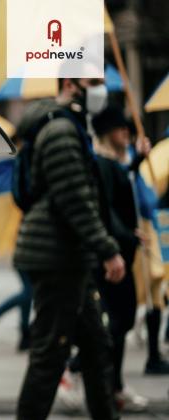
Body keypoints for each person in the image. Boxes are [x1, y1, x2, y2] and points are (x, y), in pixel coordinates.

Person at [14, 78, 123, 420]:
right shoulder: (60, 129)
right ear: (71, 84)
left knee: (95, 346)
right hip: (56, 258)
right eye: (94, 82)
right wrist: (108, 249)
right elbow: (74, 197)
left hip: (68, 256)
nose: (99, 90)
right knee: (50, 355)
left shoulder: (68, 125)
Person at [87, 105, 154, 409]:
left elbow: (124, 182)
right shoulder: (101, 163)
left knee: (122, 319)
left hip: (121, 250)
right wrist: (126, 236)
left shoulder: (115, 163)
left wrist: (138, 159)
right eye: (120, 129)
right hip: (111, 253)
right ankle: (83, 368)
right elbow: (106, 209)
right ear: (105, 133)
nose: (126, 133)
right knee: (118, 319)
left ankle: (112, 384)